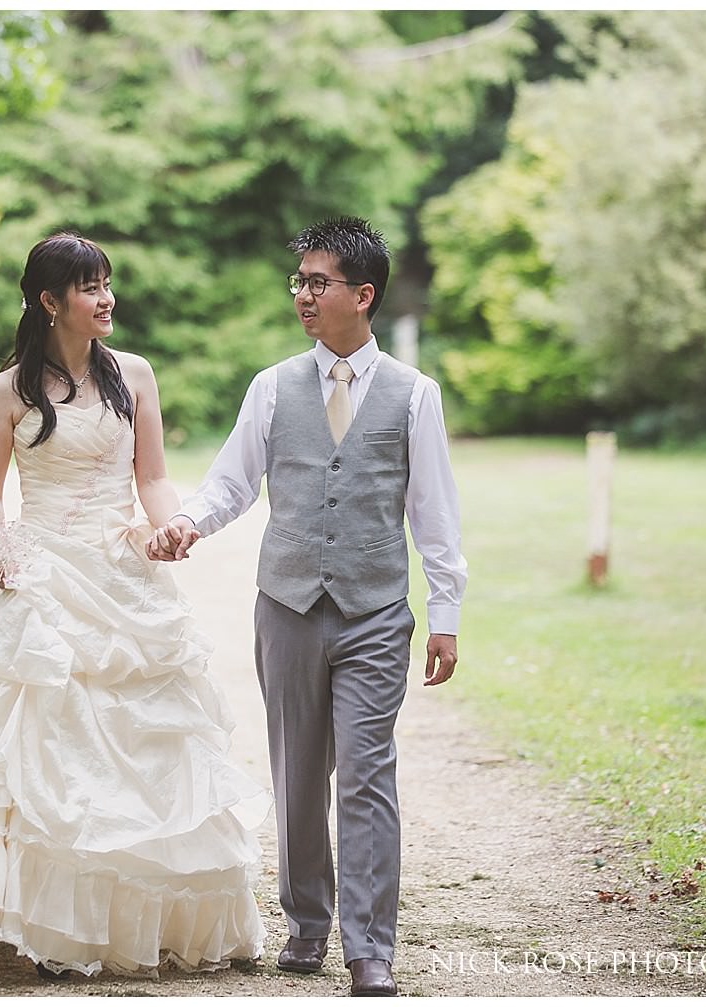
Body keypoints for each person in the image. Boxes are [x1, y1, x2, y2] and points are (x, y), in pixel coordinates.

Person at [0, 232, 269, 981]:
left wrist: (170, 524)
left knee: (147, 737)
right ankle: (47, 920)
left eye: (108, 283)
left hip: (123, 572)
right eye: (90, 287)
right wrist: (3, 556)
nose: (107, 298)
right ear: (48, 301)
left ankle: (139, 917)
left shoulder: (136, 375)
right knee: (44, 744)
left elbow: (152, 477)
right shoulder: (9, 391)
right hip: (47, 573)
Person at [148, 216, 467, 997]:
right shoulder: (272, 386)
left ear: (363, 295)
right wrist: (190, 520)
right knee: (298, 772)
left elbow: (434, 511)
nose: (303, 294)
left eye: (318, 282)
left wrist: (447, 610)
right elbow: (231, 482)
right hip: (286, 604)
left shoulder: (414, 395)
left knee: (366, 772)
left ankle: (369, 946)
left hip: (374, 611)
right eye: (299, 282)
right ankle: (307, 921)